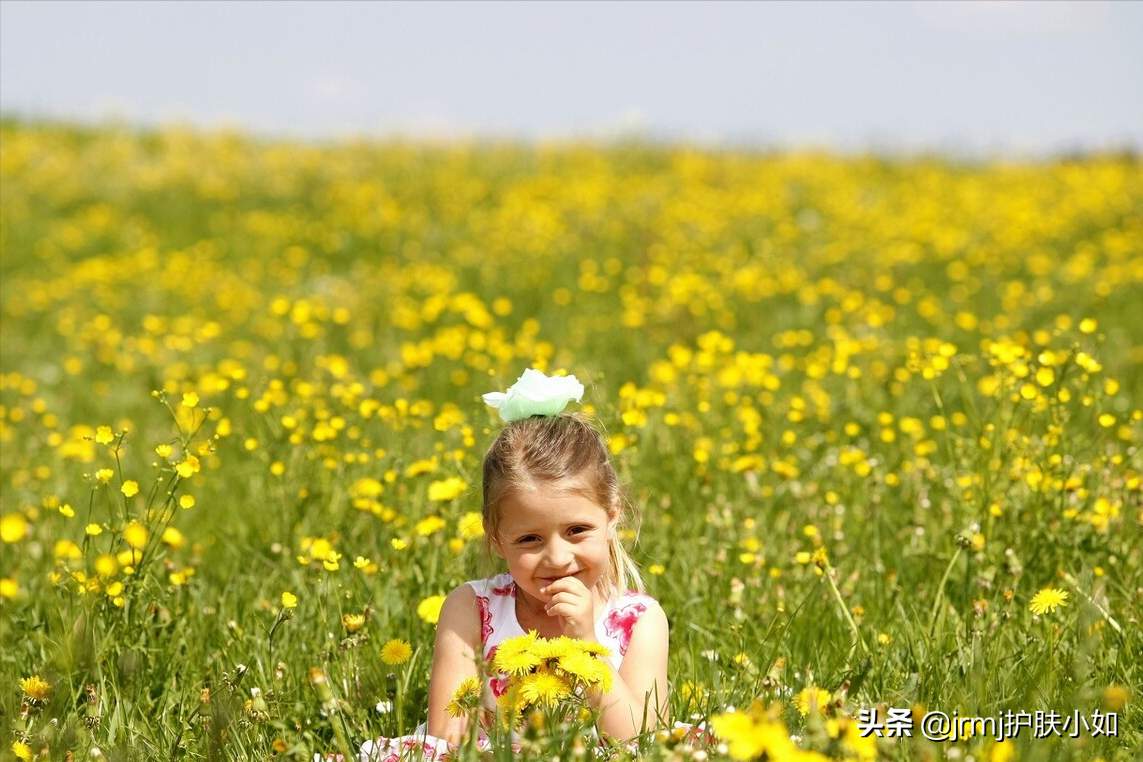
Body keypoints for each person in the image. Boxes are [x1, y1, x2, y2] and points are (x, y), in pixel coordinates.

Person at [359, 370, 669, 761]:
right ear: (495, 537)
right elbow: (446, 734)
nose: (557, 559)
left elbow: (643, 743)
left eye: (577, 530)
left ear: (611, 518)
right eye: (529, 539)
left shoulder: (640, 621)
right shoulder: (471, 608)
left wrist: (588, 646)